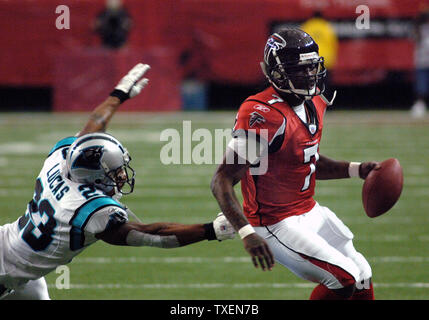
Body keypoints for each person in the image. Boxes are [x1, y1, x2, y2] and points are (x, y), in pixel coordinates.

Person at [0, 63, 235, 300]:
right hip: (7, 271)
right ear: (94, 177)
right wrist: (211, 230)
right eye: (115, 171)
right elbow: (153, 235)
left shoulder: (62, 159)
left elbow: (92, 127)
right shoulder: (88, 209)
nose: (122, 175)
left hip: (14, 257)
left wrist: (118, 95)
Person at [211, 28, 380, 300]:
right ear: (276, 72)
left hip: (308, 210)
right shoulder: (263, 112)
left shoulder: (314, 101)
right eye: (300, 69)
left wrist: (356, 169)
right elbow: (221, 179)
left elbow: (305, 159)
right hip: (274, 223)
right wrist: (246, 233)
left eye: (312, 67)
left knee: (362, 274)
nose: (310, 74)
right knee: (343, 278)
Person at [410, 5, 429, 118]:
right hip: (422, 61)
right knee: (422, 86)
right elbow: (416, 40)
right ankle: (420, 105)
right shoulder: (418, 28)